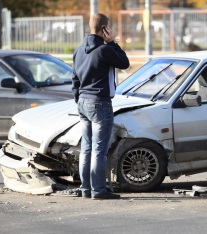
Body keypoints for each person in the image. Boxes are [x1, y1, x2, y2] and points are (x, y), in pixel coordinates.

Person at [72, 13, 130, 200]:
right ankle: (98, 190)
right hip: (99, 103)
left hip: (83, 102)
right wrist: (112, 42)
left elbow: (74, 80)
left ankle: (86, 189)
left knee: (86, 149)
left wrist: (79, 99)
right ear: (104, 28)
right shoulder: (105, 50)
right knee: (99, 150)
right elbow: (124, 63)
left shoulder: (79, 50)